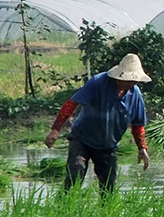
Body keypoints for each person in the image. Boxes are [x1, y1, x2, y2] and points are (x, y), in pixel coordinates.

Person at [45, 53, 151, 193]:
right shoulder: (98, 82)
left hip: (108, 146)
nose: (132, 83)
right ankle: (63, 207)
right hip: (82, 140)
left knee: (108, 187)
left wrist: (142, 147)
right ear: (118, 76)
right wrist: (55, 129)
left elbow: (138, 124)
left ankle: (106, 213)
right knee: (75, 175)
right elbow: (72, 103)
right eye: (128, 79)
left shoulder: (135, 94)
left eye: (134, 80)